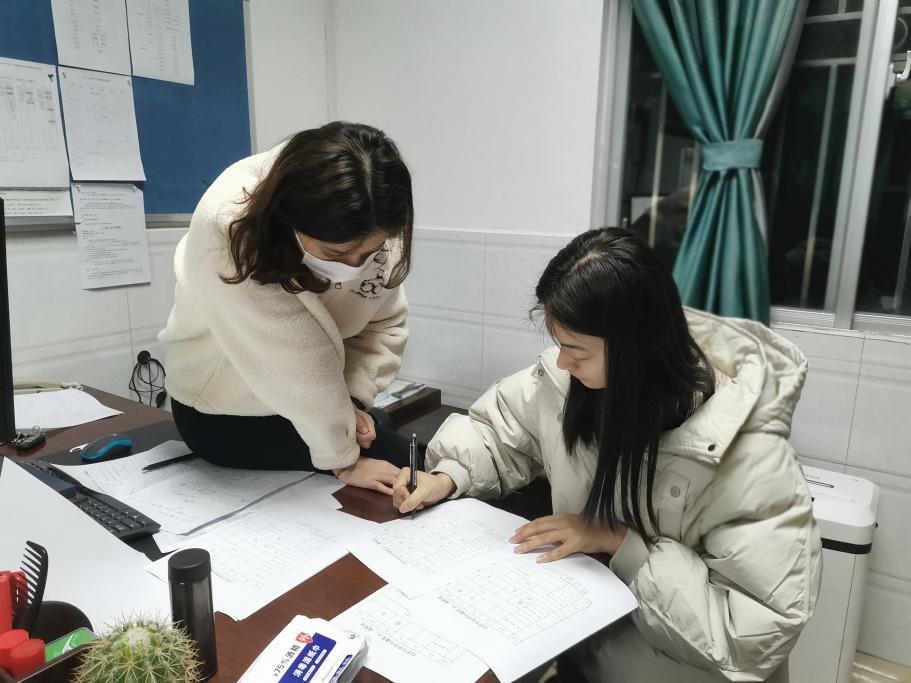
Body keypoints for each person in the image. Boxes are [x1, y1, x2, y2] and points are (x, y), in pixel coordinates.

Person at [393, 228, 821, 681]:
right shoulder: (574, 383)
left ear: (636, 350)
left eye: (575, 349)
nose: (562, 362)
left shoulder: (750, 457)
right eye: (560, 345)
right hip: (584, 650)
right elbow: (500, 428)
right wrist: (447, 475)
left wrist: (622, 543)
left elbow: (750, 637)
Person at [159, 121, 414, 494]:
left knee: (396, 448)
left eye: (370, 251)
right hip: (222, 411)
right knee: (404, 465)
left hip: (320, 400)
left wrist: (354, 400)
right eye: (337, 253)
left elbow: (385, 324)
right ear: (289, 219)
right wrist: (344, 458)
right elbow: (297, 360)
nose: (356, 266)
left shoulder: (377, 218)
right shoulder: (228, 224)